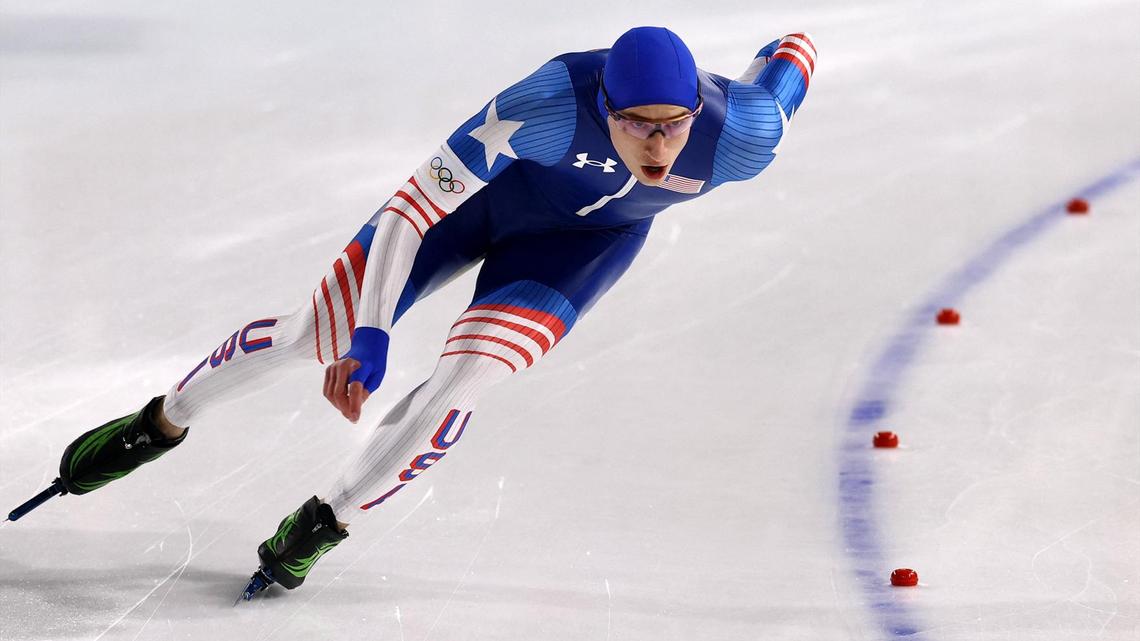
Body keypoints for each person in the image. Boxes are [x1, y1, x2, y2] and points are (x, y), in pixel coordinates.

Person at [52, 26, 817, 598]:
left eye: (674, 123)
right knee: (313, 335)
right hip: (476, 211)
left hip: (580, 248)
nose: (658, 146)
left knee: (468, 376)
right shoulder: (544, 105)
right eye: (636, 124)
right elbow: (414, 207)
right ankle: (160, 421)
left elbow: (788, 66)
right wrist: (374, 329)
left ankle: (323, 523)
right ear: (602, 104)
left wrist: (789, 49)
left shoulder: (741, 136)